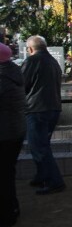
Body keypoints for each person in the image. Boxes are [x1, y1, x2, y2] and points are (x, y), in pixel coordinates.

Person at [21, 35, 66, 195]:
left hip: (37, 108)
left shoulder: (32, 61)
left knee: (39, 146)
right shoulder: (53, 61)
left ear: (30, 49)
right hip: (53, 107)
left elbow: (23, 83)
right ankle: (41, 176)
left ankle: (55, 181)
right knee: (41, 144)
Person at [0, 42, 26, 227]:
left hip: (5, 133)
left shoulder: (3, 79)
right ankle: (12, 207)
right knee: (7, 173)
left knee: (4, 175)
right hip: (14, 131)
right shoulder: (12, 72)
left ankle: (7, 214)